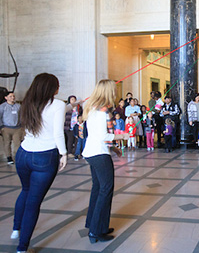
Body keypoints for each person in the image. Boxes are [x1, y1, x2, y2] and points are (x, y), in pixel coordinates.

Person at [11, 73, 68, 253]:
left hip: (23, 154)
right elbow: (58, 132)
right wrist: (64, 153)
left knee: (25, 191)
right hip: (44, 157)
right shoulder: (58, 104)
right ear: (53, 88)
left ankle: (15, 230)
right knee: (33, 203)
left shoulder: (27, 102)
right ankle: (22, 247)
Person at [82, 79, 128, 244]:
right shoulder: (101, 113)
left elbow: (96, 136)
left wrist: (113, 148)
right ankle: (96, 231)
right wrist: (121, 136)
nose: (115, 93)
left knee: (98, 188)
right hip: (99, 155)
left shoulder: (93, 109)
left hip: (93, 152)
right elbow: (102, 136)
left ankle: (95, 224)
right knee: (105, 190)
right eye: (113, 90)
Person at [0, 91, 22, 164]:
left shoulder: (18, 106)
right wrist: (1, 127)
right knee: (7, 143)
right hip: (6, 128)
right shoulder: (2, 106)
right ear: (6, 98)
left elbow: (21, 116)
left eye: (13, 96)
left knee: (17, 144)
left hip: (17, 128)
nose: (12, 98)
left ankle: (18, 157)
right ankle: (9, 157)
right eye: (10, 96)